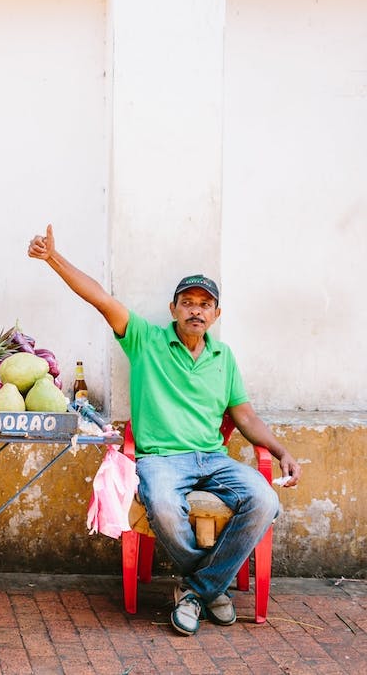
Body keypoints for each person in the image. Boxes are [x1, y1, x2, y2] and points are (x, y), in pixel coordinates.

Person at [27, 223, 301, 636]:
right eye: (187, 303)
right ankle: (211, 590)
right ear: (173, 309)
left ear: (215, 314)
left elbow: (245, 418)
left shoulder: (223, 358)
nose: (196, 310)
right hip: (162, 460)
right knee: (165, 509)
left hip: (213, 458)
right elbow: (99, 298)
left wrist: (281, 451)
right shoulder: (145, 340)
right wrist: (53, 259)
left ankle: (195, 591)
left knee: (263, 498)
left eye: (204, 304)